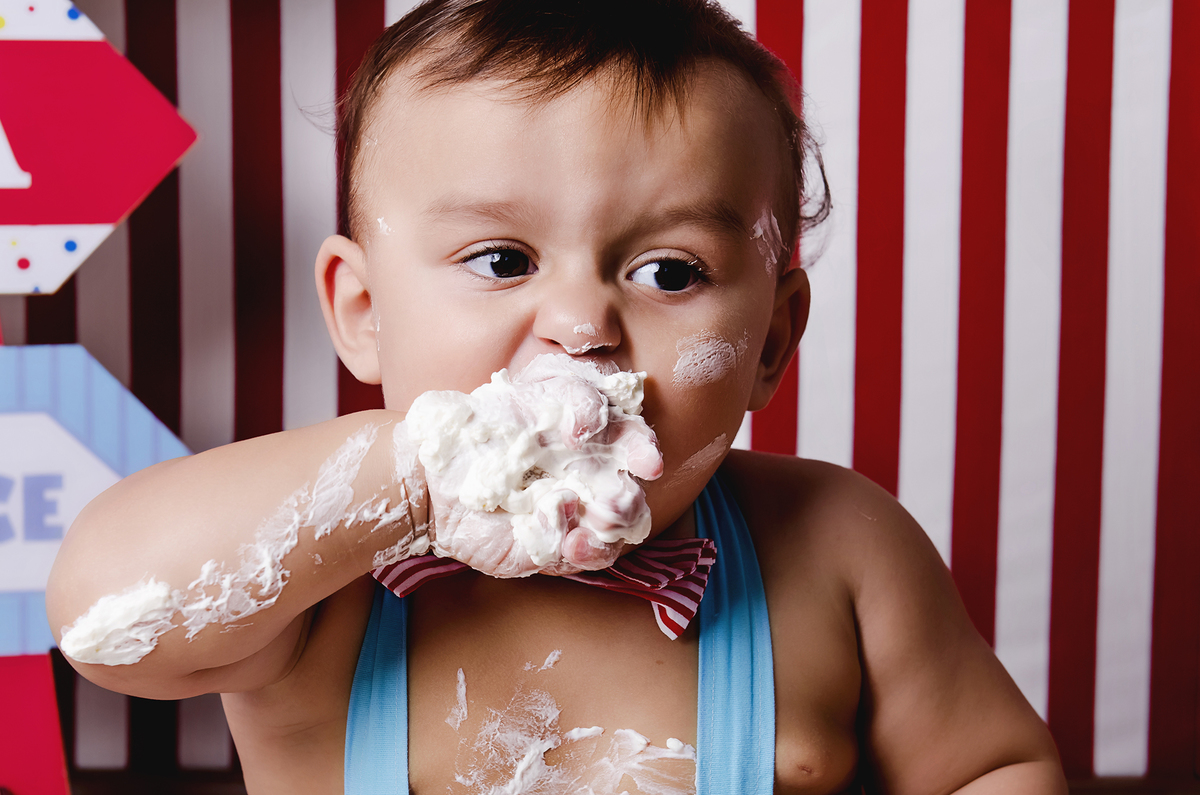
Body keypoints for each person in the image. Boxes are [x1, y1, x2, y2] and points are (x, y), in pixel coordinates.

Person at [46, 0, 1067, 792]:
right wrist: (413, 474)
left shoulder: (842, 549)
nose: (581, 325)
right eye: (502, 259)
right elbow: (102, 614)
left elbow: (991, 767)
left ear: (771, 341)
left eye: (670, 272)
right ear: (363, 311)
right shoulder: (317, 589)